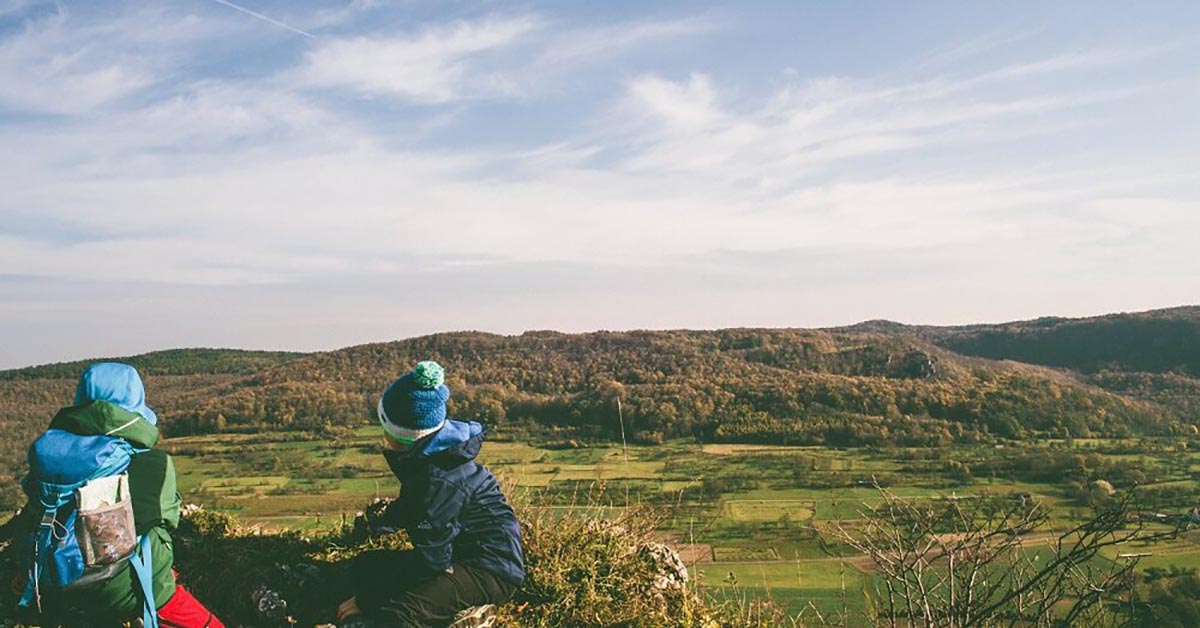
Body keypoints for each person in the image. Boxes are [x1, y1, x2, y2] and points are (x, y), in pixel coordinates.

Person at [13, 363, 224, 628]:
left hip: (52, 585)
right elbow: (163, 520)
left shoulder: (47, 459)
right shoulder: (152, 463)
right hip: (124, 591)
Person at [337, 361, 524, 628]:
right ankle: (456, 608)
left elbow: (431, 561)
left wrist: (367, 600)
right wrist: (383, 522)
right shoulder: (431, 454)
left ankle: (471, 616)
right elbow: (417, 505)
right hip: (459, 552)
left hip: (490, 570)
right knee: (365, 566)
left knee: (399, 617)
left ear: (401, 436)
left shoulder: (439, 480)